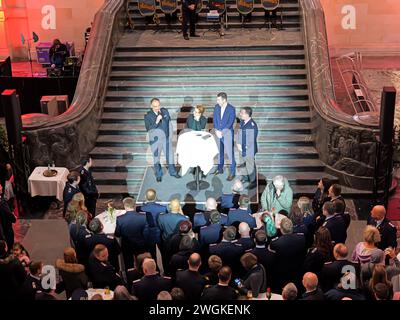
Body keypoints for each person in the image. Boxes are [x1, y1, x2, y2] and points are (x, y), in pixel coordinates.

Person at [144, 98, 180, 182]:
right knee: (156, 158)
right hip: (156, 141)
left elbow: (169, 124)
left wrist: (170, 136)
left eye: (158, 105)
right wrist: (156, 121)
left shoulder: (164, 111)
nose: (157, 108)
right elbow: (149, 129)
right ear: (151, 106)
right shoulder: (147, 116)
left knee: (170, 156)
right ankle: (159, 174)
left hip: (166, 139)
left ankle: (173, 172)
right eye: (155, 106)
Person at [268, 217, 306, 291]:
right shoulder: (302, 238)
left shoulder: (275, 243)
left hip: (281, 272)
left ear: (281, 229)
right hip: (297, 269)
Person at [115, 197, 147, 269]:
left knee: (128, 264)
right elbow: (146, 232)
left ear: (124, 206)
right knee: (142, 262)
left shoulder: (120, 219)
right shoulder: (143, 217)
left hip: (126, 245)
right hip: (140, 244)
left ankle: (130, 278)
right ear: (134, 205)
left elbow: (117, 234)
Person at [213, 92, 236, 181]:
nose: (217, 101)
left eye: (218, 99)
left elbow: (230, 122)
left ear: (224, 100)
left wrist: (222, 132)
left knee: (230, 155)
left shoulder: (231, 109)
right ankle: (220, 169)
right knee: (220, 153)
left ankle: (232, 172)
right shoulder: (216, 107)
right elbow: (215, 119)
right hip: (218, 133)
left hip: (227, 134)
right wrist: (216, 130)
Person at [237, 107, 258, 189]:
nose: (240, 114)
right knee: (243, 164)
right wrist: (238, 143)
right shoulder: (243, 122)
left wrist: (243, 148)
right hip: (241, 148)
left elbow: (251, 141)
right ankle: (245, 178)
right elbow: (240, 133)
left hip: (249, 149)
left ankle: (253, 181)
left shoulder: (252, 125)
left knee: (250, 165)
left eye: (242, 113)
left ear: (247, 114)